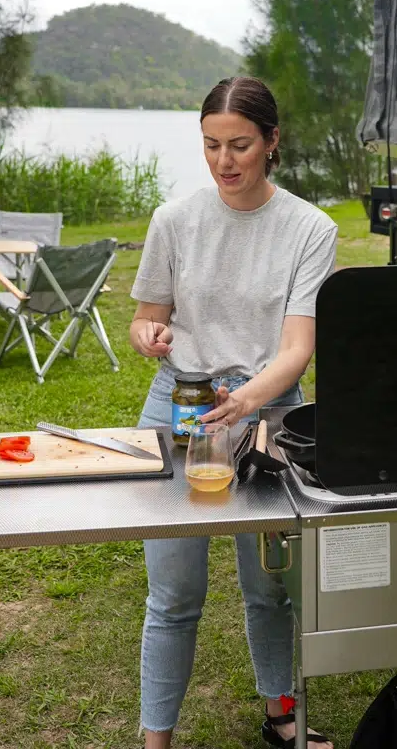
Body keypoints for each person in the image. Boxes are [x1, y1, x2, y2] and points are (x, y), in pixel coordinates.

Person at [129, 76, 337, 749]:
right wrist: (148, 335)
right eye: (211, 145)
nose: (224, 161)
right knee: (173, 593)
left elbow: (297, 348)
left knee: (270, 587)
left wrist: (247, 400)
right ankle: (156, 742)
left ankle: (282, 714)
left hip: (267, 410)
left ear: (272, 141)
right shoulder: (173, 220)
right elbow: (147, 317)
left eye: (240, 145)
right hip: (183, 404)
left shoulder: (310, 228)